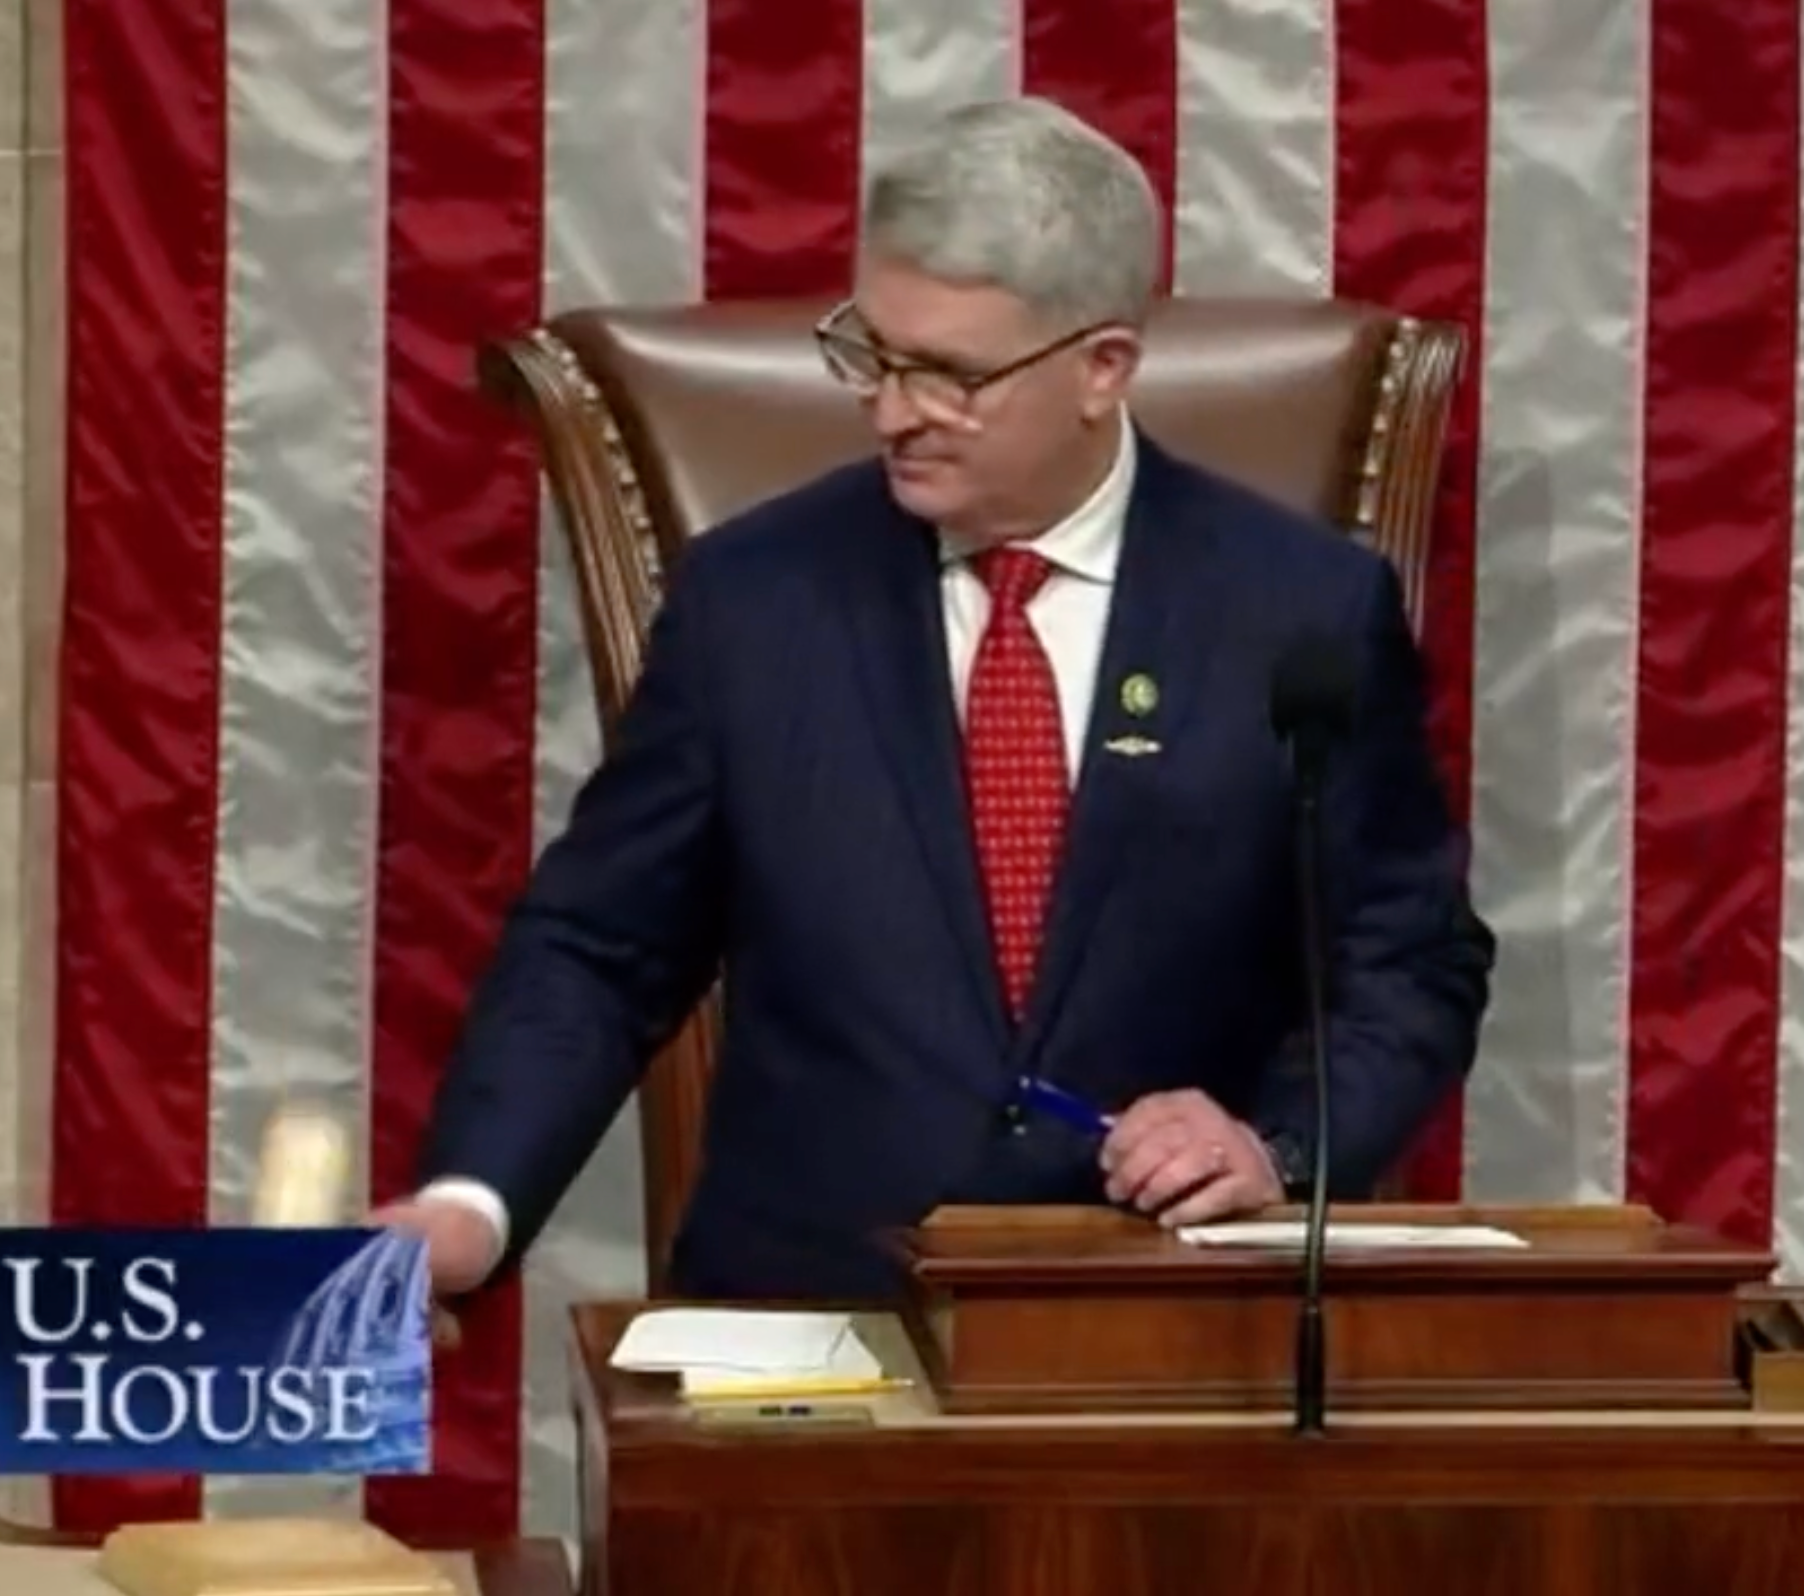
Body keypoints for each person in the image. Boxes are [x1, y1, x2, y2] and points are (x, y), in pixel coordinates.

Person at [371, 97, 1496, 1304]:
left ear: (1100, 368)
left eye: (951, 376)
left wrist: (1271, 1145)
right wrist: (470, 1204)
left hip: (1165, 1329)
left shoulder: (1298, 609)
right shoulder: (755, 600)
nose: (893, 409)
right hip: (807, 1328)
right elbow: (601, 945)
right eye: (874, 353)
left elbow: (1407, 961)